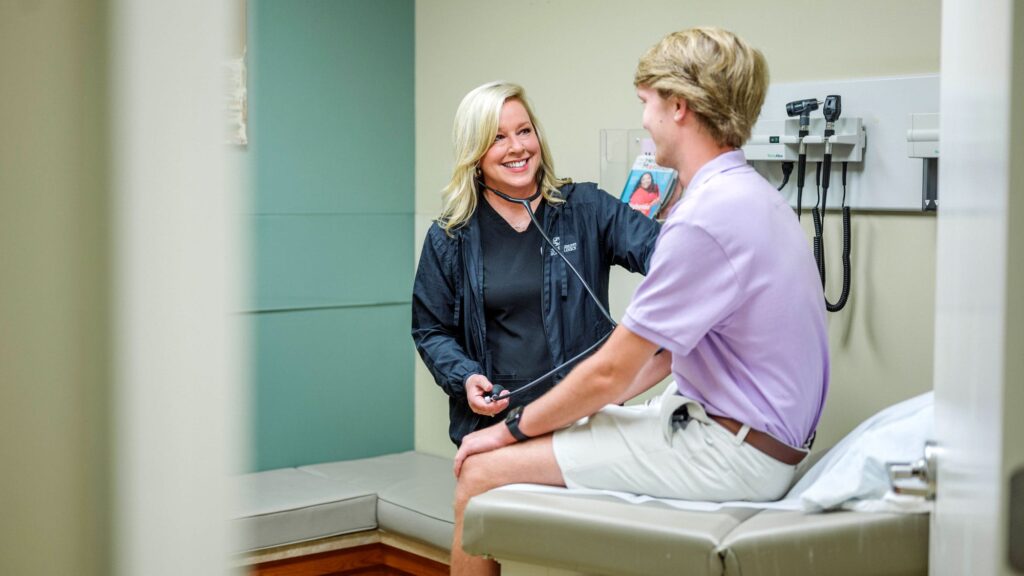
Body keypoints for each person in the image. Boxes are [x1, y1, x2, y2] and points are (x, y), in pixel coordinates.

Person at [448, 28, 829, 575]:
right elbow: (664, 357)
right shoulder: (752, 196)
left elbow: (609, 372)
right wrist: (575, 414)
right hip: (751, 439)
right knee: (577, 426)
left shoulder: (703, 218)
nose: (644, 120)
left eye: (646, 104)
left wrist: (510, 430)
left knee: (478, 473)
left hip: (728, 454)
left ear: (679, 107)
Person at [411, 81, 661, 448]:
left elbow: (668, 257)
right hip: (499, 427)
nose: (517, 147)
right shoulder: (451, 236)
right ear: (474, 153)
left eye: (524, 131)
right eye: (497, 138)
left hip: (586, 423)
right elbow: (431, 331)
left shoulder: (587, 209)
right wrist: (465, 377)